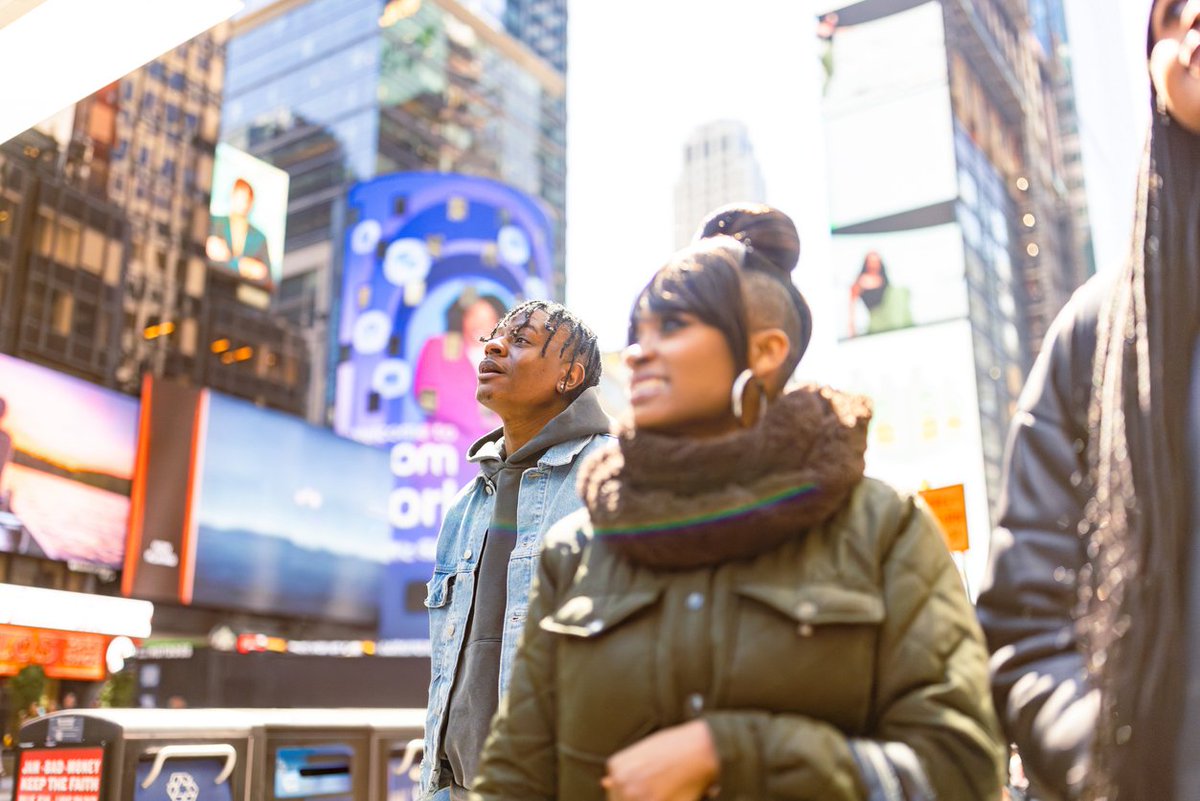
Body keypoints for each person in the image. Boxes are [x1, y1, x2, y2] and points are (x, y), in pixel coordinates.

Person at [471, 205, 1004, 801]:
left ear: (767, 350)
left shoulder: (886, 528)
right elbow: (514, 780)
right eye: (636, 334)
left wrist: (734, 755)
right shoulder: (574, 549)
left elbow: (963, 769)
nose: (640, 353)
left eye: (671, 327)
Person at [976, 2, 1200, 799]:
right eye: (1169, 15)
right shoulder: (1096, 334)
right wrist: (1115, 762)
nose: (1192, 19)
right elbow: (1028, 622)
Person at [420, 300, 613, 801]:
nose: (493, 345)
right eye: (493, 337)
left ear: (569, 376)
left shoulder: (614, 478)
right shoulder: (467, 503)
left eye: (521, 340)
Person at [414, 292, 507, 436]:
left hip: (494, 446)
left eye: (488, 319)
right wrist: (478, 422)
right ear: (462, 318)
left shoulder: (506, 357)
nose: (480, 324)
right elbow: (427, 399)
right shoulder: (438, 347)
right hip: (446, 444)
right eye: (473, 316)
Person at [206, 177, 272, 284]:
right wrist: (243, 266)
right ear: (232, 196)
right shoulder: (215, 222)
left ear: (250, 203)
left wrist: (227, 259)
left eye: (246, 199)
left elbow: (266, 277)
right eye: (239, 197)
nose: (242, 203)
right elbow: (209, 255)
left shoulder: (260, 238)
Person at [847, 250, 912, 337]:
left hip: (892, 315)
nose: (874, 265)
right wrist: (852, 331)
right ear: (866, 263)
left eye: (876, 261)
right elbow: (852, 306)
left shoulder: (883, 279)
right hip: (877, 319)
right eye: (871, 261)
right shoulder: (860, 282)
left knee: (901, 291)